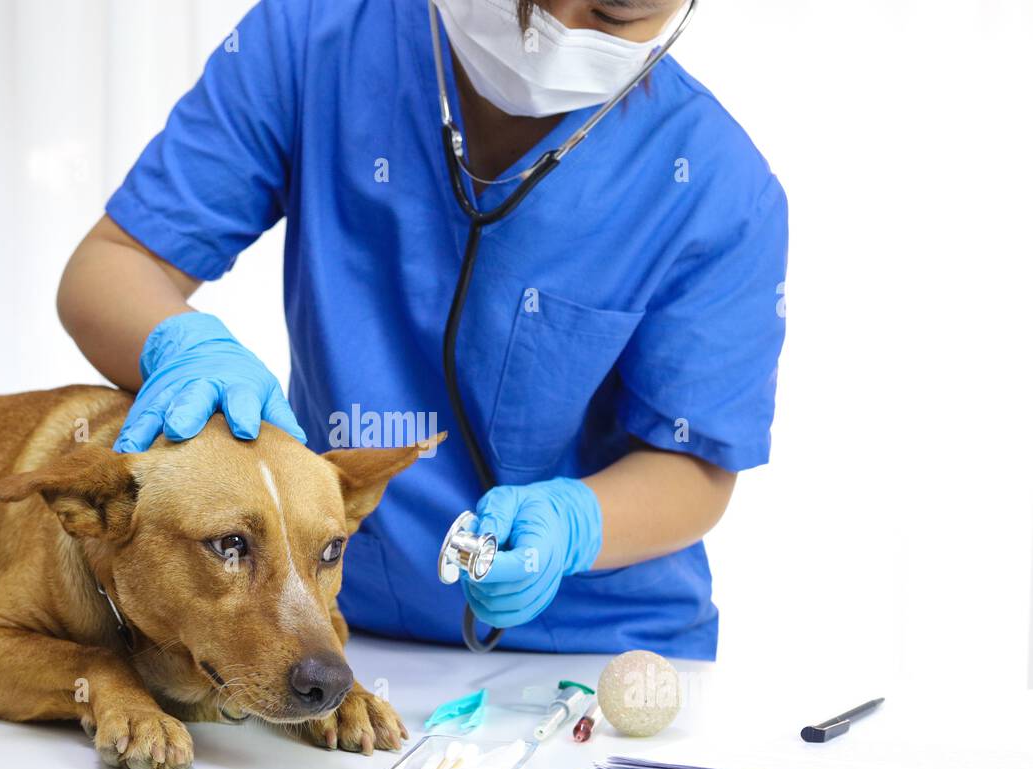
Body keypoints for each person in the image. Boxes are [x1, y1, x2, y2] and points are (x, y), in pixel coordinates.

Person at [57, 0, 787, 657]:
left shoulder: (718, 184)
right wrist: (186, 345)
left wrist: (575, 524)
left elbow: (695, 464)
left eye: (614, 10)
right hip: (333, 632)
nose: (554, 29)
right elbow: (111, 266)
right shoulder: (313, 38)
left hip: (599, 655)